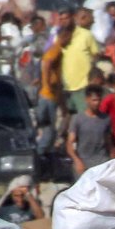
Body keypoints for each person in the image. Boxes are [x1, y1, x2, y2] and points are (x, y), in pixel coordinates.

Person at [36, 25, 70, 158]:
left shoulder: (56, 49)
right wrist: (48, 83)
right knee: (49, 131)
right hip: (48, 96)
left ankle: (46, 157)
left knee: (49, 131)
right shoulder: (56, 49)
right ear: (64, 36)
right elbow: (47, 63)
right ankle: (40, 157)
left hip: (51, 95)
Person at [67, 85, 113, 176]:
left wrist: (112, 157)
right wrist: (77, 161)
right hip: (83, 163)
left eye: (99, 100)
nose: (97, 103)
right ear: (87, 99)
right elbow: (69, 143)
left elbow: (108, 141)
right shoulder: (77, 119)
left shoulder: (106, 119)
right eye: (94, 100)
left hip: (102, 162)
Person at [62, 11, 101, 114]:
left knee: (84, 116)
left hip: (83, 85)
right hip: (66, 87)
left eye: (67, 18)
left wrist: (93, 77)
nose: (64, 21)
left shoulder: (86, 35)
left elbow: (96, 56)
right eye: (62, 19)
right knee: (67, 118)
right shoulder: (59, 37)